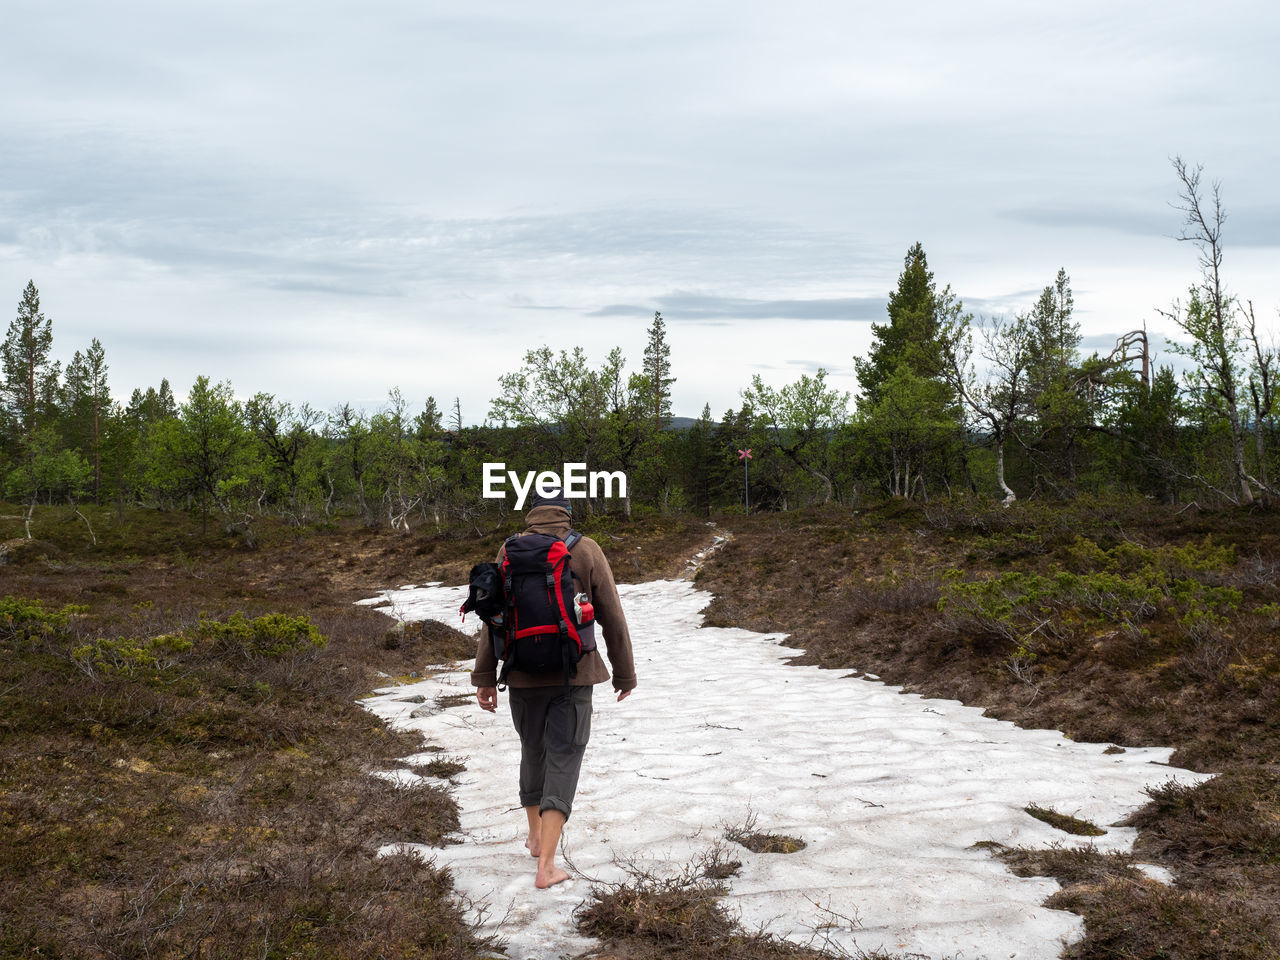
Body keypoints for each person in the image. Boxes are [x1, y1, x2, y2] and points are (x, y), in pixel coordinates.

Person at [472, 487, 637, 888]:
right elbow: (612, 616)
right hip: (574, 673)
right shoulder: (586, 550)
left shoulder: (508, 551)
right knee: (564, 756)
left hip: (520, 672)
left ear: (532, 516)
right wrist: (624, 674)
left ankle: (534, 836)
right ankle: (546, 866)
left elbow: (492, 619)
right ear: (567, 516)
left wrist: (484, 677)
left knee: (533, 750)